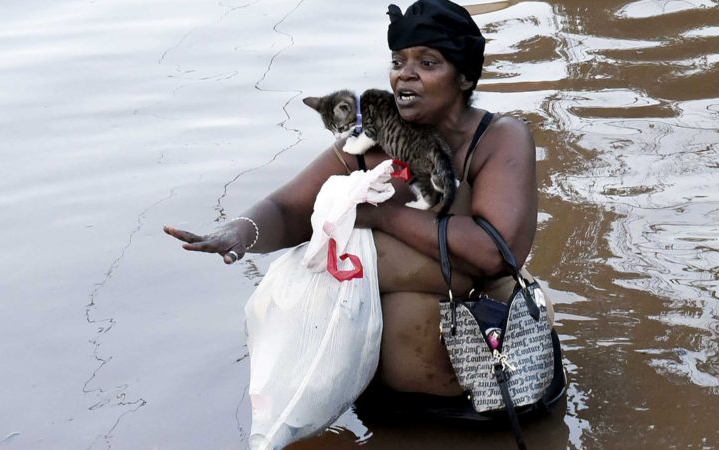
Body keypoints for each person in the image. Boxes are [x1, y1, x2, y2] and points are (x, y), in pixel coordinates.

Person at [164, 0, 552, 399]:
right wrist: (239, 232)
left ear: (465, 78)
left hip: (489, 364)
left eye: (428, 63)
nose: (406, 75)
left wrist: (380, 216)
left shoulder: (498, 139)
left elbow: (494, 253)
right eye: (398, 61)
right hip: (385, 392)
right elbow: (290, 208)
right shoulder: (367, 145)